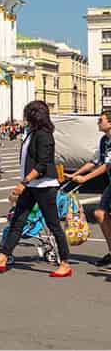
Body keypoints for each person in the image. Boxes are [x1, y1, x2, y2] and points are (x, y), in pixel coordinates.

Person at [0, 101, 72, 277]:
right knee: (17, 222)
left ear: (34, 115)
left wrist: (24, 182)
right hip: (32, 185)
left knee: (53, 225)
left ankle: (65, 263)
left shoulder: (44, 135)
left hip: (43, 186)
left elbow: (43, 164)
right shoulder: (32, 133)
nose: (24, 116)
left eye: (27, 112)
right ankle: (2, 257)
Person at [65, 108, 111, 267]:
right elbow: (95, 162)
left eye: (101, 120)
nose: (98, 122)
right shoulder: (104, 141)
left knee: (100, 213)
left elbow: (106, 166)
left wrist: (85, 178)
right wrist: (75, 174)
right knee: (99, 214)